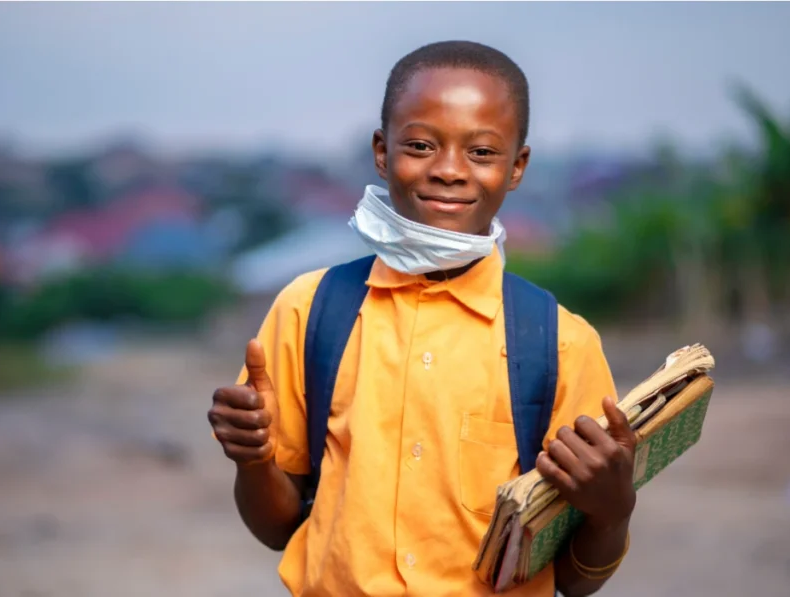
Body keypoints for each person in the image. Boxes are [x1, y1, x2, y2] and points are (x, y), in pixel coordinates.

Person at [209, 40, 637, 597]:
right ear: (383, 153)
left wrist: (612, 510)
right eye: (420, 145)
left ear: (517, 167)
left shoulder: (559, 343)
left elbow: (577, 582)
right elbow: (275, 528)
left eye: (482, 152)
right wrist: (253, 459)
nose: (449, 171)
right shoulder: (309, 311)